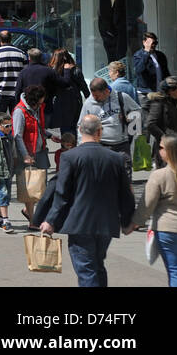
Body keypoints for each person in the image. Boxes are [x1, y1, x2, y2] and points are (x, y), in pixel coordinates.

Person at [40, 114, 136, 288]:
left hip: (80, 223)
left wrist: (51, 220)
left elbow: (62, 193)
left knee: (86, 269)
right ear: (100, 131)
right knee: (98, 266)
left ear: (79, 130)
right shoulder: (115, 158)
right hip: (107, 222)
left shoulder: (69, 157)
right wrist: (128, 221)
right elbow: (125, 193)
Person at [135, 132, 177, 286]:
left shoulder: (160, 175)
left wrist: (135, 222)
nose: (159, 149)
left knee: (176, 272)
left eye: (161, 147)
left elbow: (147, 204)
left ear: (169, 151)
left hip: (168, 230)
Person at [79, 77, 141, 184]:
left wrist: (129, 118)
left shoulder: (122, 97)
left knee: (125, 179)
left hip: (122, 145)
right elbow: (81, 125)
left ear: (106, 91)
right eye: (93, 95)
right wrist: (82, 146)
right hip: (101, 146)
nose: (94, 98)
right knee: (103, 180)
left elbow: (138, 111)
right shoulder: (89, 103)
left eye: (97, 95)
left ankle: (125, 199)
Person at [13, 84, 56, 227]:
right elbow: (17, 136)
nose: (42, 103)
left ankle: (29, 211)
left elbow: (38, 127)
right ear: (33, 100)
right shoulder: (20, 111)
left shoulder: (38, 108)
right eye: (40, 101)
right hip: (27, 153)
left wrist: (49, 135)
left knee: (41, 186)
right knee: (30, 187)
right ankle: (33, 221)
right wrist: (25, 155)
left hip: (40, 150)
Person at [146, 77, 177, 169]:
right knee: (167, 177)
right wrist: (164, 138)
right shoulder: (159, 103)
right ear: (170, 90)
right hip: (167, 148)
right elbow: (151, 124)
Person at [48, 49, 88, 138]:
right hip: (74, 103)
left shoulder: (55, 72)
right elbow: (84, 89)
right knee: (74, 128)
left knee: (65, 130)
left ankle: (66, 149)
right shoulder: (75, 70)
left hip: (62, 104)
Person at [0, 30, 27, 116]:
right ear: (11, 39)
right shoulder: (21, 53)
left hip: (0, 92)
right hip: (17, 92)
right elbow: (26, 73)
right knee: (16, 119)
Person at [133, 32, 171, 100]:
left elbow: (166, 72)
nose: (152, 45)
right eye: (150, 43)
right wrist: (146, 53)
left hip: (160, 92)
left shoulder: (160, 55)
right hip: (146, 93)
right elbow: (139, 70)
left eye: (154, 43)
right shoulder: (138, 55)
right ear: (144, 42)